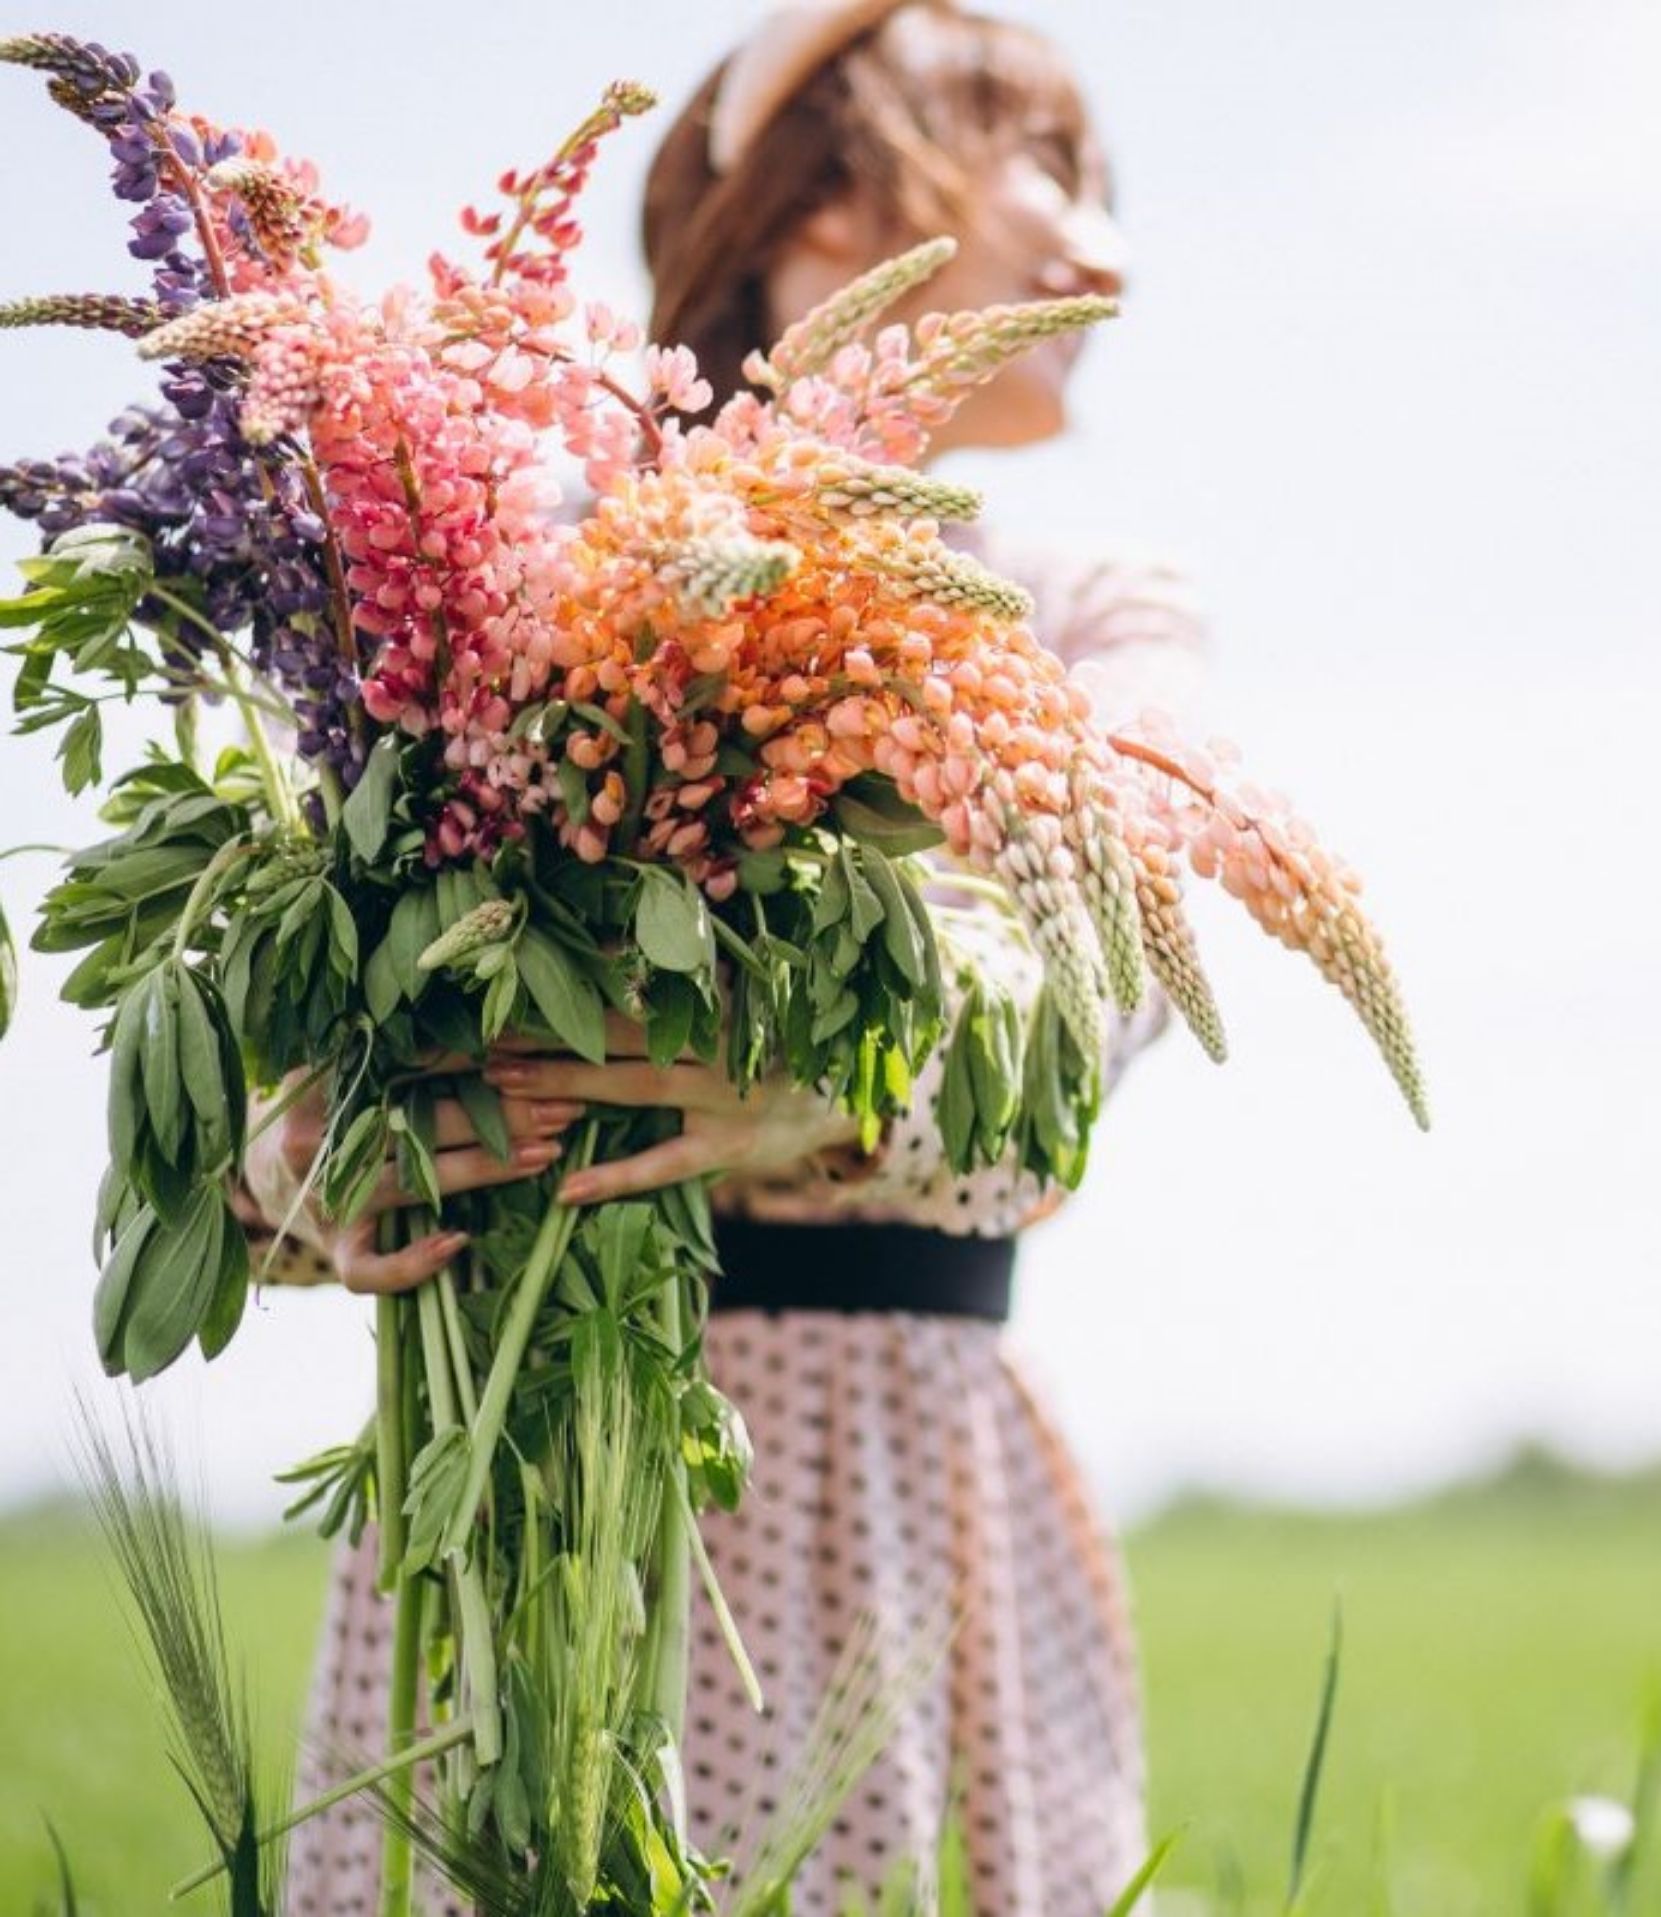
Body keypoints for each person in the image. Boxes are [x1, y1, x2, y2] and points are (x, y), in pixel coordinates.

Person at [247, 4, 1208, 1910]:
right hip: (512, 1496)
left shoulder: (1093, 613)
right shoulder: (516, 552)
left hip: (883, 1497)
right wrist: (318, 1148)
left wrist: (815, 1091)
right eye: (1047, 169)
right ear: (837, 200)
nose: (1105, 246)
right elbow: (290, 1022)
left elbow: (1109, 999)